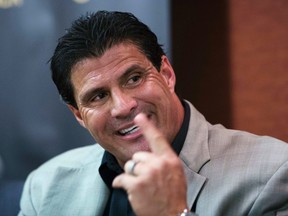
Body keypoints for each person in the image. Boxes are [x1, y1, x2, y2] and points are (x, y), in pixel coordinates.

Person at [18, 11, 288, 216]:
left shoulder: (273, 173)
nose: (124, 106)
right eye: (98, 96)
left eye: (134, 78)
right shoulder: (44, 187)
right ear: (78, 115)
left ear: (167, 74)